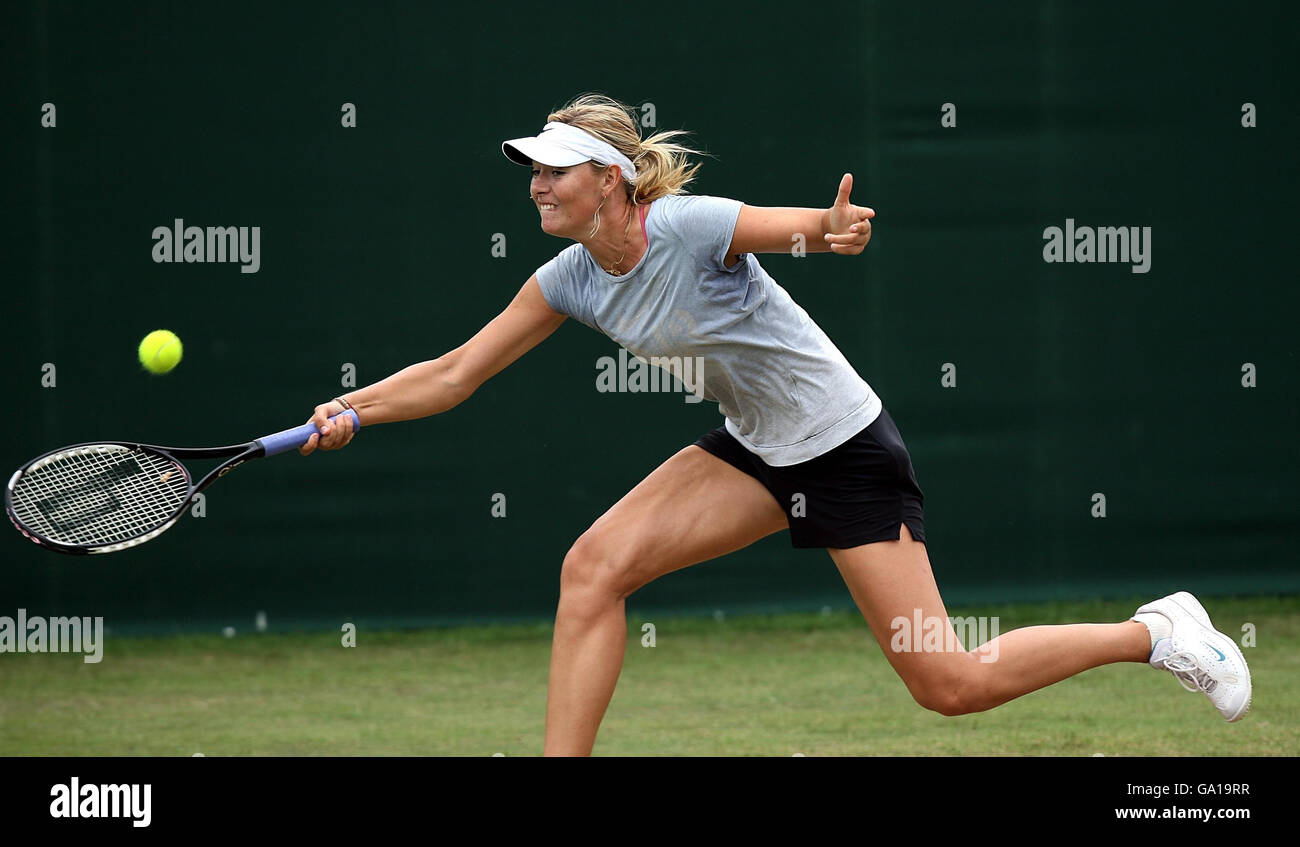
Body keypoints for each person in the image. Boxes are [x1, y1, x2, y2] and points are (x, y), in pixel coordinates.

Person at [299, 93, 1251, 755]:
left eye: (555, 171)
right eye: (533, 172)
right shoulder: (568, 279)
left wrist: (829, 231)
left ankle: (1156, 631)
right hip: (754, 450)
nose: (538, 186)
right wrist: (353, 409)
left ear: (613, 180)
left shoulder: (684, 226)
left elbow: (800, 229)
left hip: (846, 452)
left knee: (948, 684)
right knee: (592, 566)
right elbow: (458, 373)